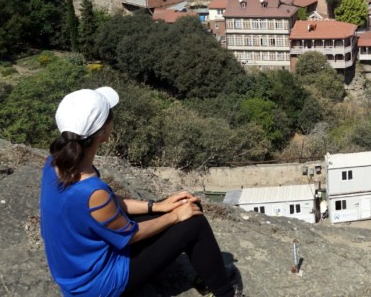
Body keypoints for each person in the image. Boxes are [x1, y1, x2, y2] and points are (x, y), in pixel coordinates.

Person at [39, 86, 241, 297]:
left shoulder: (55, 163)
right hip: (98, 284)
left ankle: (207, 273)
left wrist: (157, 206)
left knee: (187, 204)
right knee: (194, 222)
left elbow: (103, 206)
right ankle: (225, 293)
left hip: (79, 268)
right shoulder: (92, 191)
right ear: (103, 132)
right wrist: (174, 217)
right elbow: (131, 235)